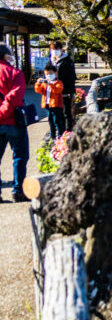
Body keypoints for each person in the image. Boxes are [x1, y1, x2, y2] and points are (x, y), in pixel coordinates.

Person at [0, 44, 29, 202]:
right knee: (19, 156)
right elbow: (15, 97)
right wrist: (3, 112)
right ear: (5, 56)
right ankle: (18, 191)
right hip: (13, 121)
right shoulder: (15, 73)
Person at [49, 41, 77, 131]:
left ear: (61, 49)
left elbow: (72, 77)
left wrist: (72, 92)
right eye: (53, 49)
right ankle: (59, 134)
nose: (54, 51)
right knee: (56, 114)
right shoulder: (51, 61)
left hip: (65, 91)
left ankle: (67, 133)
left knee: (66, 113)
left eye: (56, 49)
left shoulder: (67, 61)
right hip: (53, 91)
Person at [35, 62, 65, 141]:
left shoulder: (58, 82)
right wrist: (38, 83)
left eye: (51, 73)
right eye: (47, 74)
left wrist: (50, 84)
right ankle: (52, 135)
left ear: (56, 73)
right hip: (47, 105)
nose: (49, 75)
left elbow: (57, 90)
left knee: (57, 121)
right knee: (50, 121)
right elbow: (38, 90)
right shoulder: (45, 83)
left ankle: (60, 135)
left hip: (56, 105)